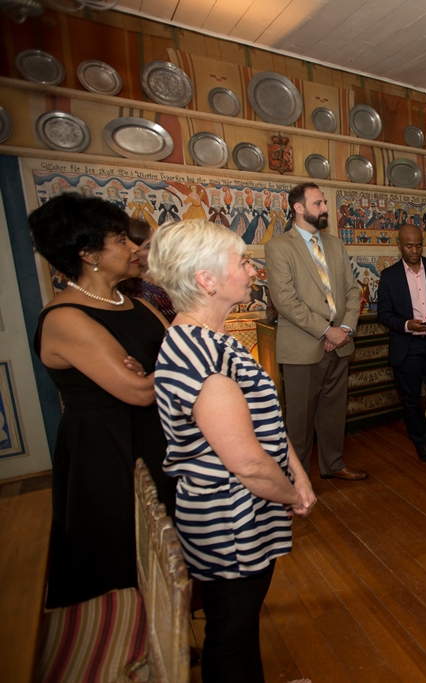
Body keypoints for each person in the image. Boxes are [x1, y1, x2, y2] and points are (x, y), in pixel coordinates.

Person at [150, 219, 315, 683]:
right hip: (230, 519)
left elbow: (265, 428)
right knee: (231, 632)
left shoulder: (213, 341)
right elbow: (246, 461)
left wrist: (298, 473)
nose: (251, 268)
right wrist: (293, 495)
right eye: (241, 261)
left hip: (243, 511)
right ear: (206, 280)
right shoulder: (203, 359)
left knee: (239, 628)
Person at [29, 193, 175, 609]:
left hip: (155, 439)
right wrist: (161, 370)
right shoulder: (66, 318)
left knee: (167, 547)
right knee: (124, 549)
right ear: (88, 253)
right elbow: (141, 392)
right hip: (107, 449)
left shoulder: (139, 303)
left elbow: (185, 358)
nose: (133, 248)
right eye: (119, 240)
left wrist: (156, 368)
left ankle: (170, 637)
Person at [265, 183, 365, 481]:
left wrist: (344, 328)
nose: (325, 209)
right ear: (299, 208)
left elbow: (351, 289)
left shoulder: (335, 244)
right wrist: (326, 331)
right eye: (318, 203)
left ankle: (333, 465)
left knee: (333, 413)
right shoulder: (279, 246)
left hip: (340, 344)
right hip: (303, 346)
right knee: (299, 420)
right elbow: (285, 301)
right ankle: (295, 480)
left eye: (324, 203)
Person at [376, 224, 426, 464]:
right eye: (409, 246)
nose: (414, 250)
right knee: (410, 398)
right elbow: (383, 313)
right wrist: (407, 324)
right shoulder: (389, 276)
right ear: (398, 245)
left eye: (418, 245)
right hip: (407, 346)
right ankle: (421, 441)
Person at [119, 217, 177, 321]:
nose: (159, 248)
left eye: (157, 241)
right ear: (131, 251)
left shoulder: (170, 270)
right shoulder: (141, 294)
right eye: (148, 246)